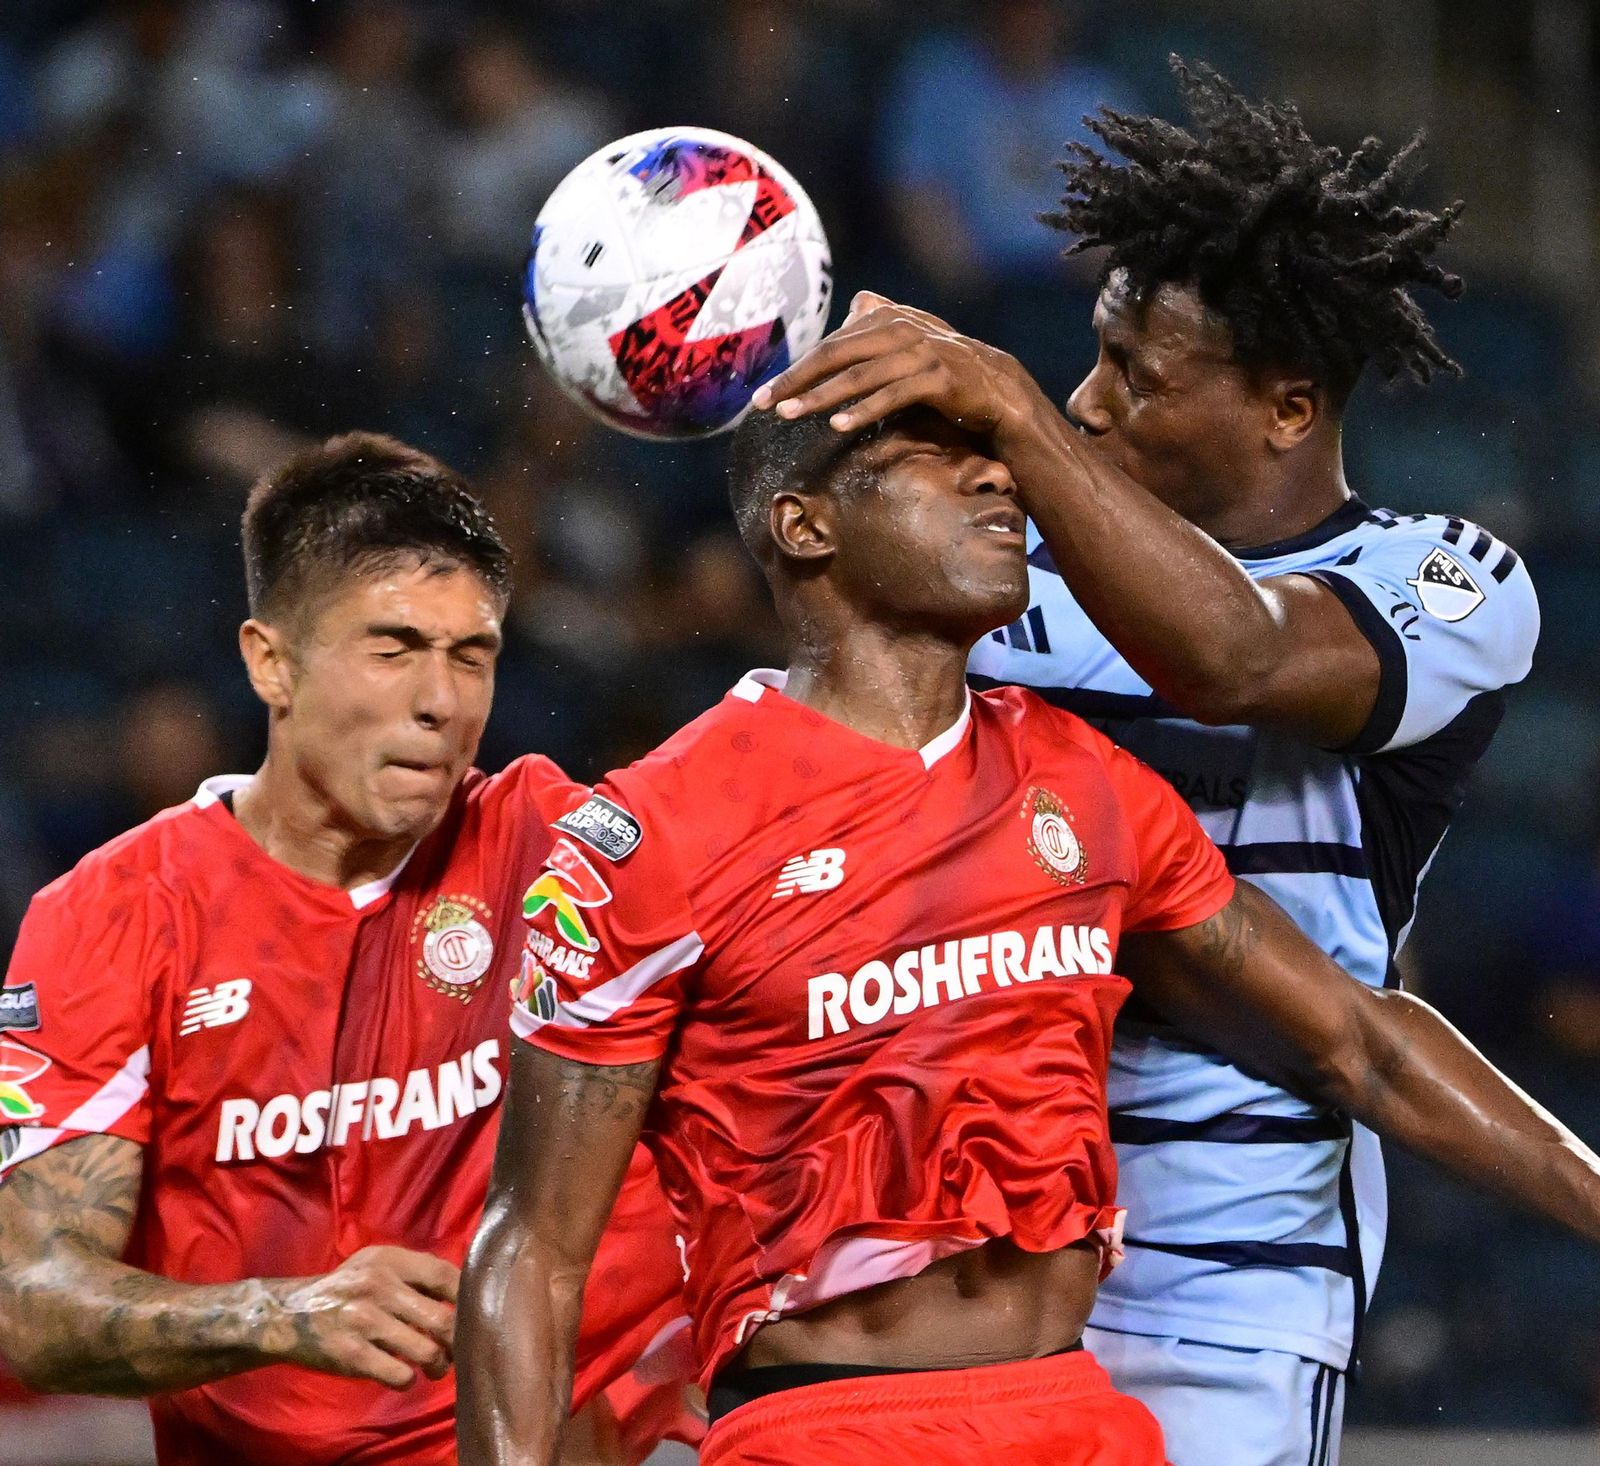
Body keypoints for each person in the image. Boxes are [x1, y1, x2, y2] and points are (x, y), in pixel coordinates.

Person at [454, 403, 1600, 1466]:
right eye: (929, 459)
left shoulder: (1082, 781)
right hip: (826, 1426)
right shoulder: (647, 832)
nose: (995, 476)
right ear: (803, 525)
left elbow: (1359, 1038)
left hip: (1071, 1412)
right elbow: (535, 1246)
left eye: (989, 455)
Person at [746, 60, 1539, 1465]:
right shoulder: (1006, 568)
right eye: (1087, 355)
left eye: (1135, 374)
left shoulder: (1442, 579)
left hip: (1231, 1273)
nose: (1086, 400)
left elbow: (1230, 658)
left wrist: (1005, 407)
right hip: (967, 1246)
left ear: (1289, 406)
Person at [0, 433, 694, 1466]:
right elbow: (31, 1302)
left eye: (473, 655)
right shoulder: (114, 915)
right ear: (268, 661)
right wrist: (284, 1312)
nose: (442, 702)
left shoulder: (553, 848)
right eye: (394, 646)